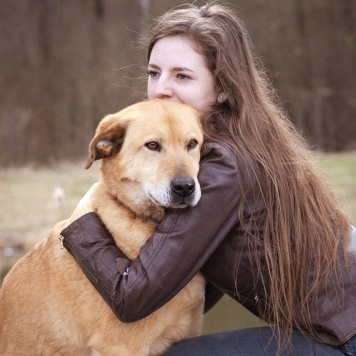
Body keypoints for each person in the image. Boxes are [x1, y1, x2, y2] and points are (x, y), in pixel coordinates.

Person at [60, 2, 356, 355]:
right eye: (154, 73)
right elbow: (191, 269)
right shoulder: (229, 143)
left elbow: (131, 298)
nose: (161, 90)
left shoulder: (223, 164)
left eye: (182, 76)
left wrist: (83, 223)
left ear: (223, 88)